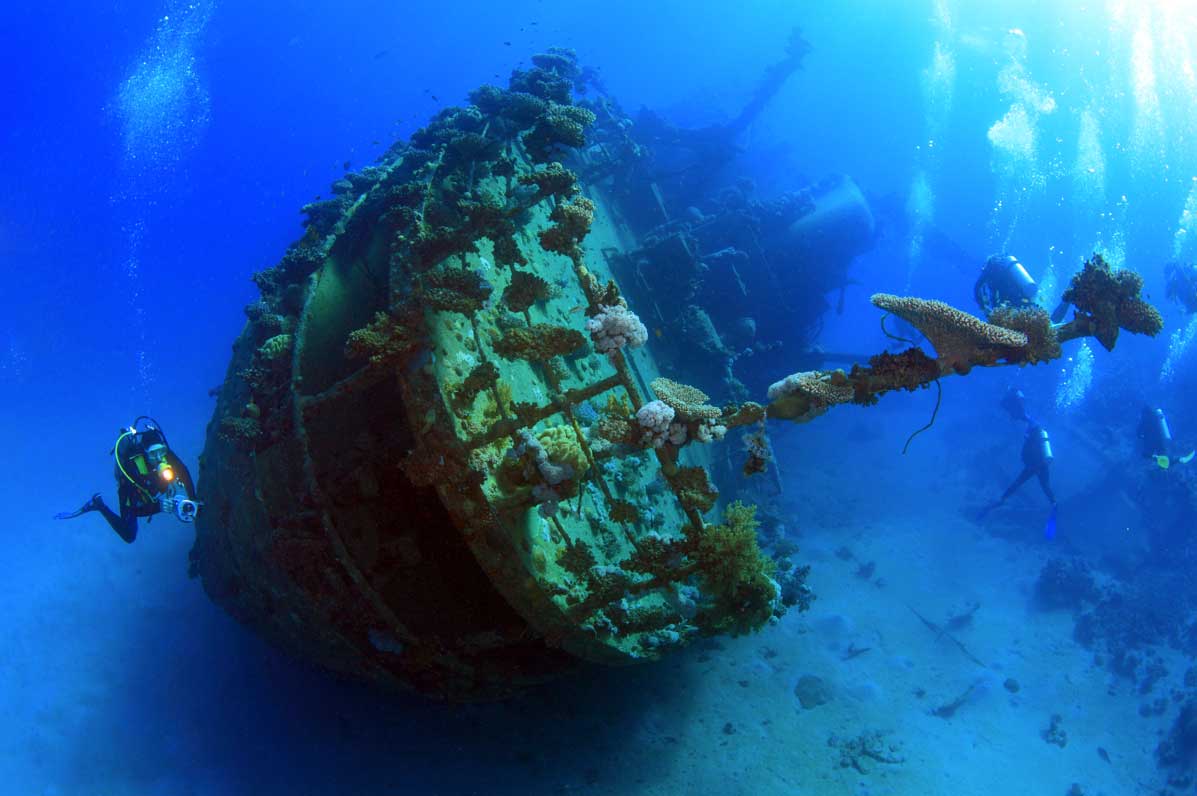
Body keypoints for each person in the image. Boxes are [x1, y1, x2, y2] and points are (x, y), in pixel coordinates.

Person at [55, 417, 200, 543]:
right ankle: (99, 505)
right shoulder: (133, 466)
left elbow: (184, 472)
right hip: (131, 490)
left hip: (152, 489)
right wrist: (159, 507)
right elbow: (136, 510)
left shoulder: (165, 455)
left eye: (161, 451)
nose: (158, 457)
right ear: (145, 453)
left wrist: (193, 498)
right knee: (129, 535)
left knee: (167, 478)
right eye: (153, 453)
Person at [978, 387, 1057, 522]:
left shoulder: (1032, 428)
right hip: (1039, 463)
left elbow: (1028, 447)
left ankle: (1001, 500)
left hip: (1034, 464)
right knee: (1044, 486)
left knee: (1019, 483)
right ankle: (1054, 505)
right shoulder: (1034, 428)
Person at [974, 253, 1070, 322]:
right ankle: (1068, 296)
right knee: (1049, 322)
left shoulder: (990, 269)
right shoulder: (1005, 269)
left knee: (1043, 323)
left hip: (1013, 305)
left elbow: (977, 287)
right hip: (1025, 299)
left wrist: (984, 308)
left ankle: (1067, 297)